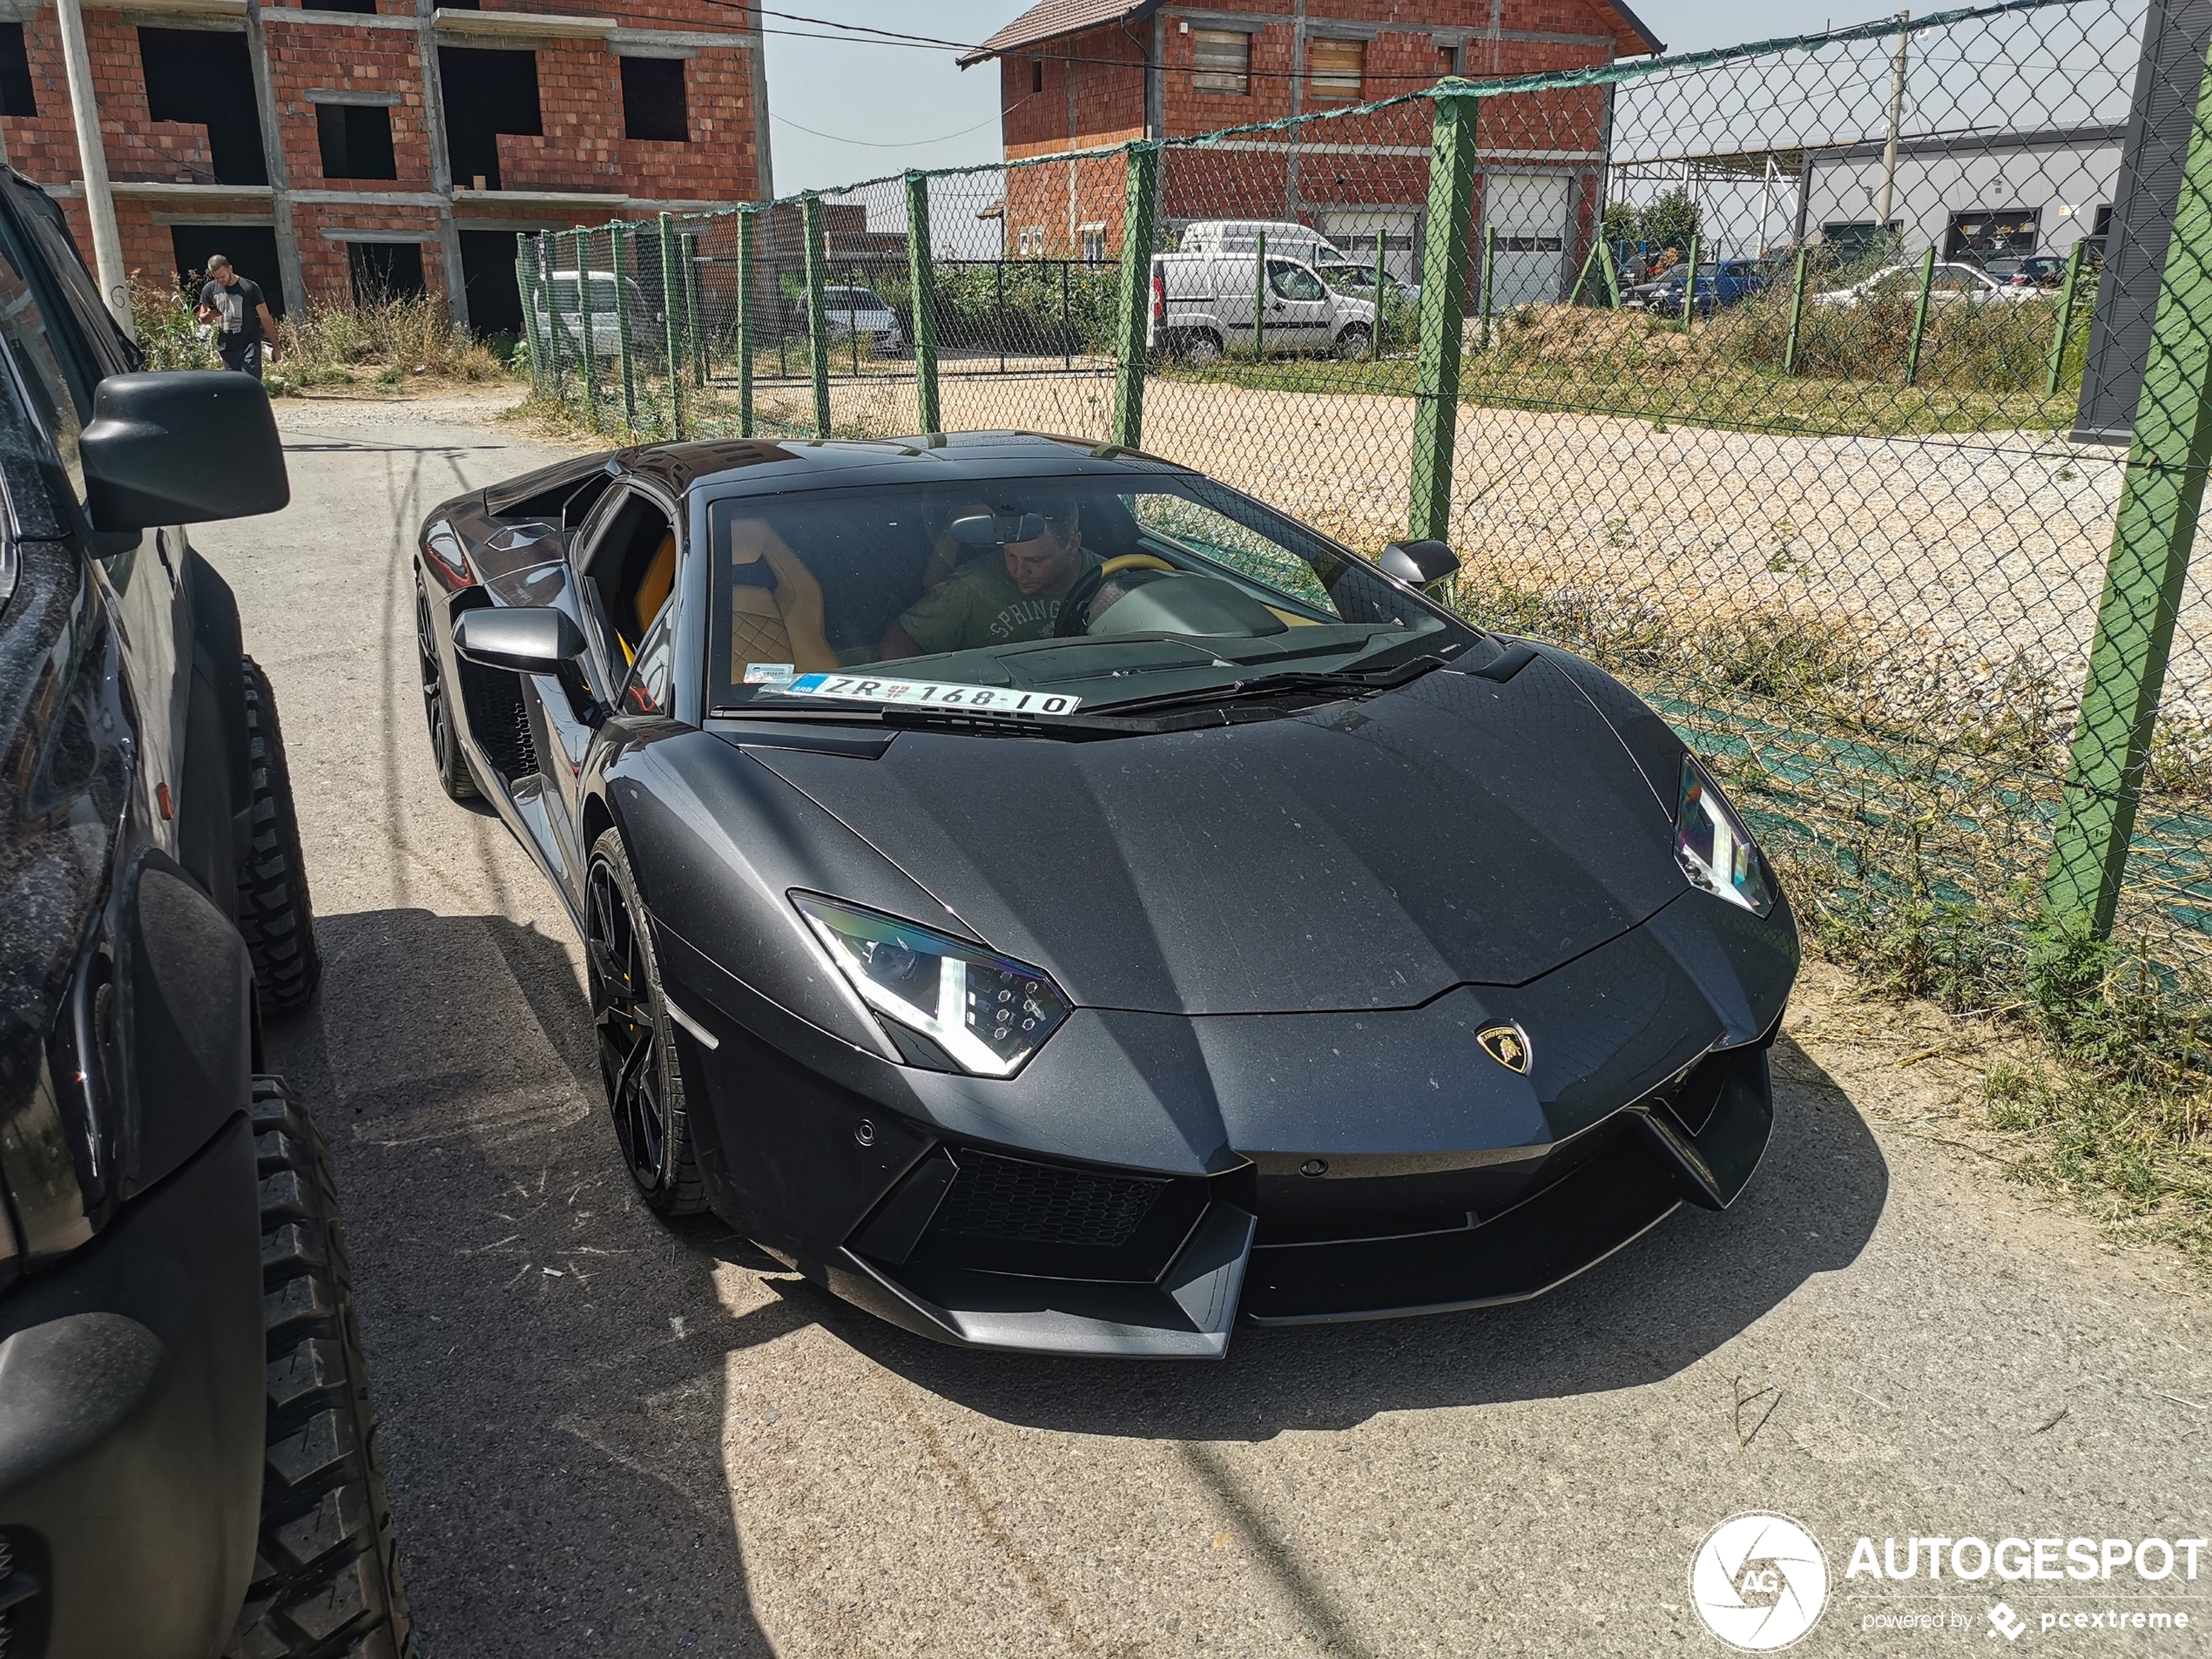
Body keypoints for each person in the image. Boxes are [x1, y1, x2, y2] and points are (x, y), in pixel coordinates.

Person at [881, 498, 1099, 658]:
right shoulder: (973, 585)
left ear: (1073, 544)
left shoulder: (1112, 583)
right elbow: (899, 639)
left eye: (1036, 561)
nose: (1019, 571)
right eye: (1010, 555)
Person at [196, 255, 280, 379]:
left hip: (249, 344)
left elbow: (265, 317)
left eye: (222, 276)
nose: (220, 280)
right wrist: (210, 315)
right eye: (216, 277)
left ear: (230, 269)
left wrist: (276, 346)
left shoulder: (250, 288)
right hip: (227, 347)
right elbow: (203, 319)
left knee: (251, 383)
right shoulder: (209, 289)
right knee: (235, 386)